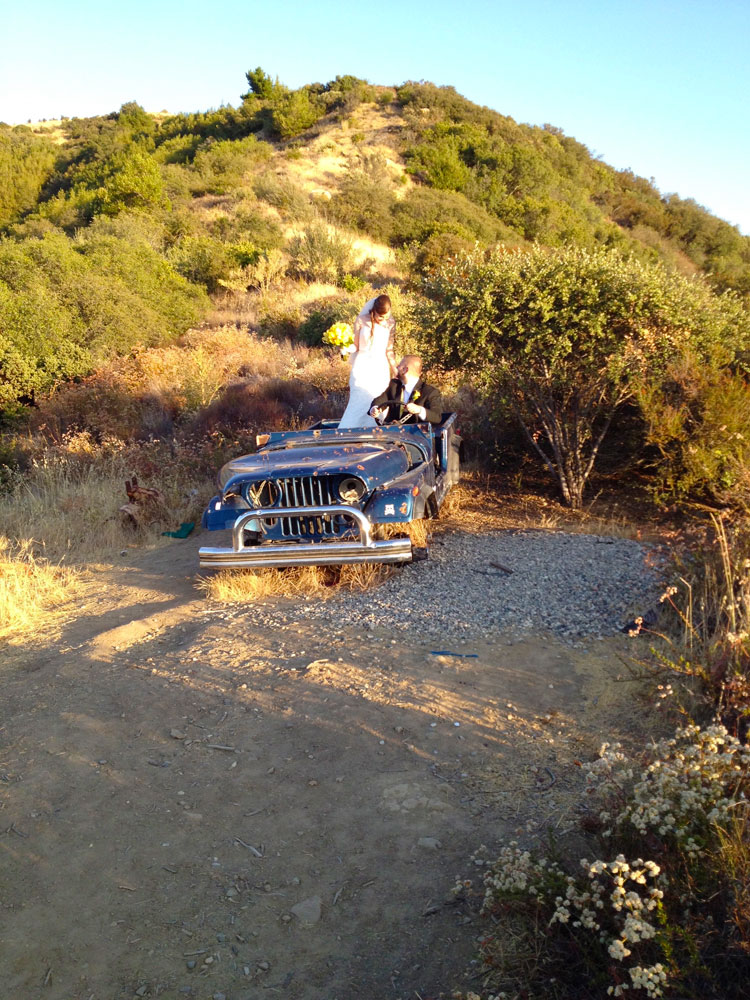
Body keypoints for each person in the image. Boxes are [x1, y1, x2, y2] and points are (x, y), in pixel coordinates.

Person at [338, 294, 397, 429]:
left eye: (386, 316)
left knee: (377, 401)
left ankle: (376, 432)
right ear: (373, 311)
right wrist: (344, 348)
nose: (383, 320)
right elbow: (356, 346)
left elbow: (389, 349)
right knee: (359, 401)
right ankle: (347, 432)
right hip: (362, 366)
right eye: (380, 316)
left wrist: (395, 369)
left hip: (380, 367)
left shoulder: (390, 323)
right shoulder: (361, 320)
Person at [369, 355, 443, 425]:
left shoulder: (430, 392)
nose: (397, 367)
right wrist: (375, 408)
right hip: (392, 433)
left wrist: (419, 410)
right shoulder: (394, 385)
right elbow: (380, 399)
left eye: (399, 365)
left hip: (416, 435)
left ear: (405, 370)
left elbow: (437, 417)